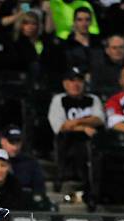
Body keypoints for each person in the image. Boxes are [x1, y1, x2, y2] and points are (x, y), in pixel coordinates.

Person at [48, 67, 104, 204]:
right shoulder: (59, 99)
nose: (76, 84)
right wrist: (84, 127)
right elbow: (61, 126)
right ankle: (87, 190)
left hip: (93, 142)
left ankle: (94, 192)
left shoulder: (92, 99)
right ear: (65, 83)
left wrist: (76, 121)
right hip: (68, 141)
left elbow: (99, 119)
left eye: (79, 80)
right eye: (72, 80)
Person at [0, 125, 46, 195]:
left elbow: (39, 188)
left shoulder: (30, 163)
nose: (15, 148)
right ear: (2, 141)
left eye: (18, 142)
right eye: (11, 143)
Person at [65, 6, 102, 75]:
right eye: (80, 20)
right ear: (74, 22)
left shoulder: (98, 42)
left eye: (87, 20)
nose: (84, 24)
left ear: (91, 22)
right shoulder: (67, 45)